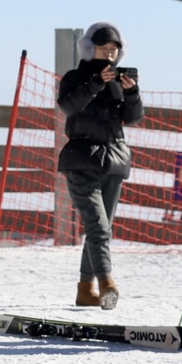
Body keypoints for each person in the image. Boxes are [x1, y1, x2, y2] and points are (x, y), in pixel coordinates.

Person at [57, 22, 143, 309]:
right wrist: (96, 83)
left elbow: (132, 118)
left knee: (101, 228)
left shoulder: (118, 83)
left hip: (114, 160)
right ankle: (107, 283)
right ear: (89, 48)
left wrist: (132, 93)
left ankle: (85, 289)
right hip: (81, 159)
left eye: (114, 51)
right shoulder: (74, 77)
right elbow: (69, 106)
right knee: (97, 226)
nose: (109, 56)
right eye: (104, 49)